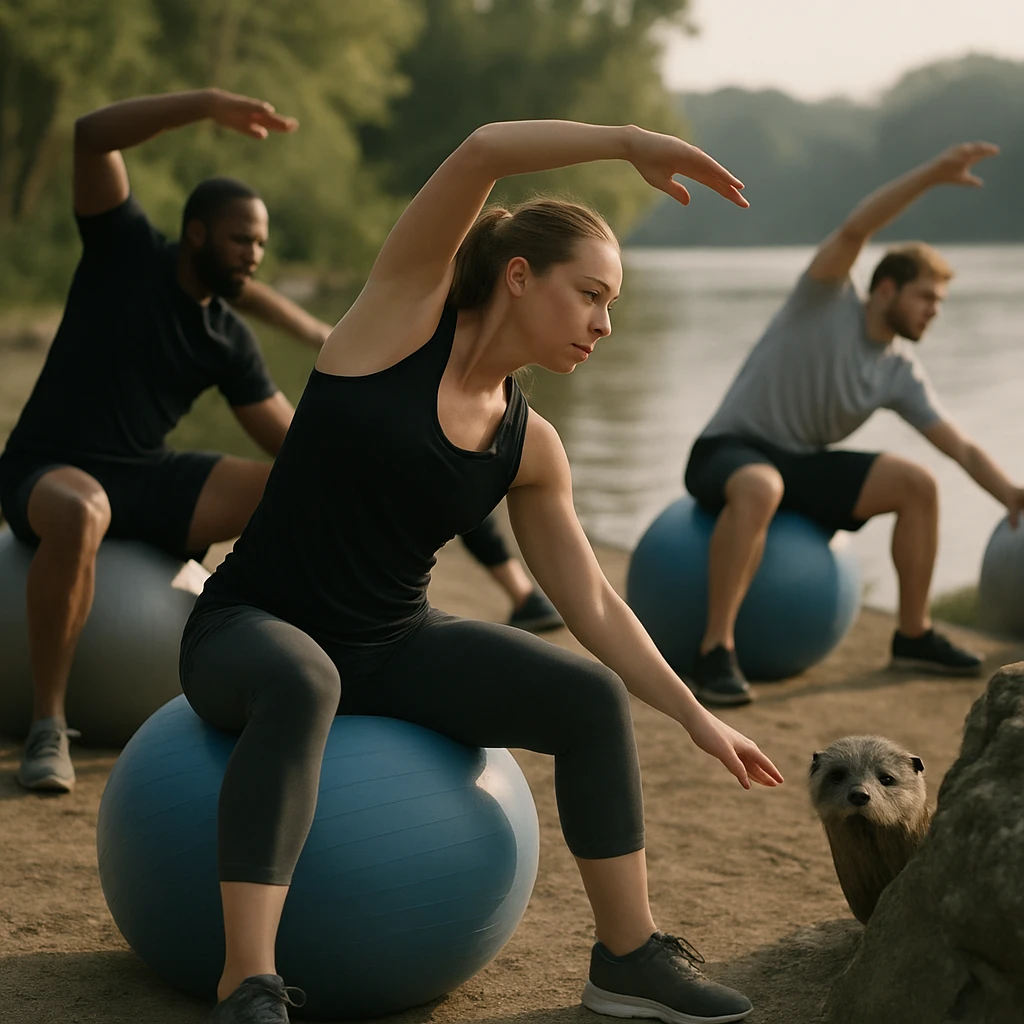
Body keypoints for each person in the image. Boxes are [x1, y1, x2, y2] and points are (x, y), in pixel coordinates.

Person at [180, 121, 783, 1024]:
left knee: (588, 700)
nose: (603, 324)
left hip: (391, 644)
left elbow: (592, 602)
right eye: (588, 294)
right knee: (305, 677)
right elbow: (483, 151)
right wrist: (626, 144)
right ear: (516, 275)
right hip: (252, 628)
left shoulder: (530, 446)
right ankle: (248, 983)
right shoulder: (394, 323)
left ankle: (628, 957)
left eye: (611, 305)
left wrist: (695, 716)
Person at [0, 88, 326, 793]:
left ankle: (243, 650)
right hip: (47, 469)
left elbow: (294, 444)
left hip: (141, 477)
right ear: (200, 232)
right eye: (243, 239)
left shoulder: (226, 338)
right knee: (86, 508)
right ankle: (48, 725)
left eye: (263, 245)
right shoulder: (124, 250)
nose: (255, 256)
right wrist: (207, 104)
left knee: (290, 487)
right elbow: (91, 134)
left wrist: (381, 426)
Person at [683, 142, 1024, 707]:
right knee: (762, 483)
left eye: (939, 304)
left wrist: (1009, 493)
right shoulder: (825, 298)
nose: (933, 312)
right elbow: (856, 227)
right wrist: (933, 175)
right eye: (925, 298)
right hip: (729, 448)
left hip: (799, 465)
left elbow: (958, 446)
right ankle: (714, 649)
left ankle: (912, 633)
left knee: (917, 485)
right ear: (885, 289)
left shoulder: (898, 371)